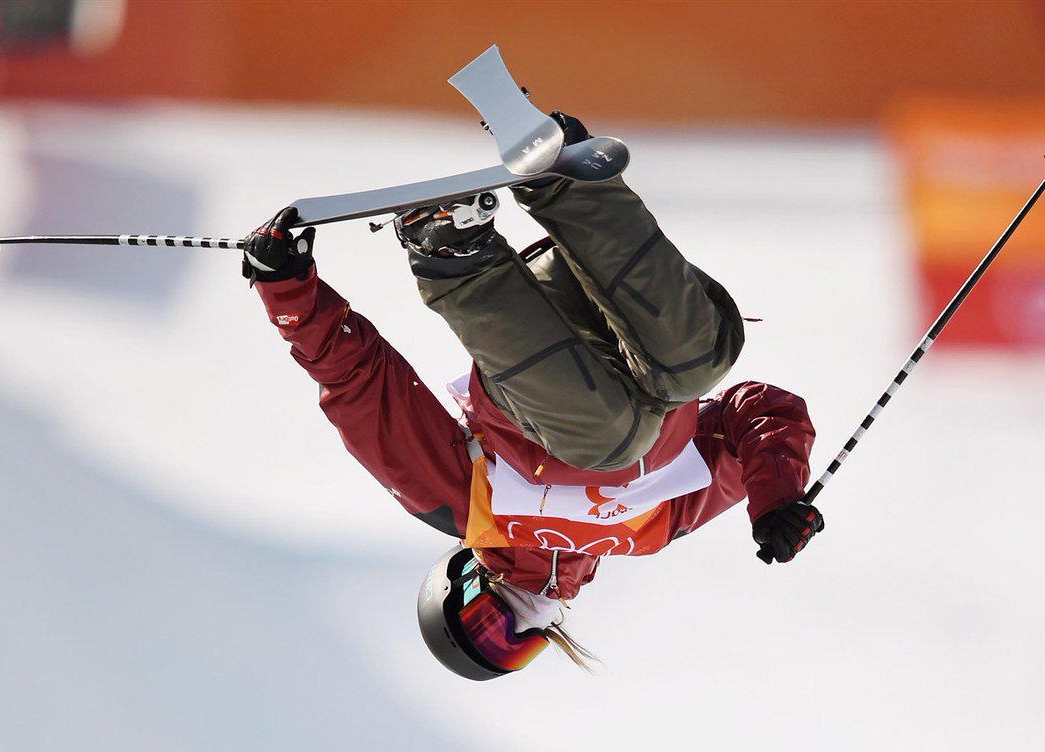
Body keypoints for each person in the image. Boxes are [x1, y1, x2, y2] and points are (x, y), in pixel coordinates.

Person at [242, 112, 823, 680]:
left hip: (535, 336)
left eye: (486, 625)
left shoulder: (463, 507)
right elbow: (762, 411)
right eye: (517, 650)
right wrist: (776, 498)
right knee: (702, 360)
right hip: (610, 302)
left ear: (460, 584)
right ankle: (569, 184)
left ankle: (452, 255)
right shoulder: (655, 531)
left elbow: (360, 384)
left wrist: (288, 293)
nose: (518, 626)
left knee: (610, 441)